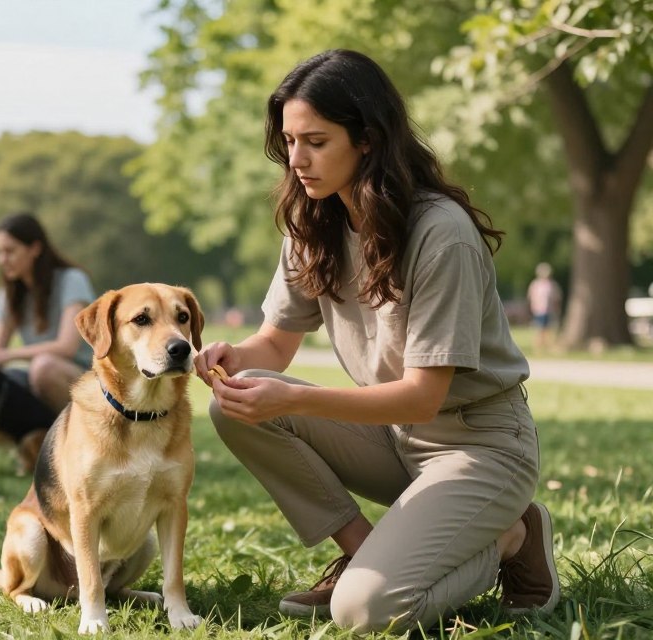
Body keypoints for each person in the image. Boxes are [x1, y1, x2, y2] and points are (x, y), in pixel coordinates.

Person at [194, 50, 559, 633]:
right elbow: (275, 345)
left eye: (315, 141)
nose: (297, 160)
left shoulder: (441, 235)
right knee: (236, 400)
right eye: (289, 142)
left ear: (366, 139)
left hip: (479, 446)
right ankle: (360, 551)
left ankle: (513, 538)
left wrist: (292, 400)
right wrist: (235, 358)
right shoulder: (314, 224)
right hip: (393, 439)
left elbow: (421, 398)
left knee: (366, 613)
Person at [0, 212, 95, 412]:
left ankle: (75, 436)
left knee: (44, 368)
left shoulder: (72, 280)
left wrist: (8, 355)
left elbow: (66, 347)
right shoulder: (10, 293)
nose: (1, 260)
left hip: (88, 379)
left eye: (9, 251)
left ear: (34, 249)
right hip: (41, 376)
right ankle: (33, 439)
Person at [526, 262, 562, 352]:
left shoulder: (552, 285)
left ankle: (547, 346)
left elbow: (556, 298)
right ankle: (538, 347)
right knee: (540, 329)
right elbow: (531, 297)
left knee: (548, 329)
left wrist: (557, 308)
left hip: (549, 310)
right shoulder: (535, 284)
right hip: (539, 310)